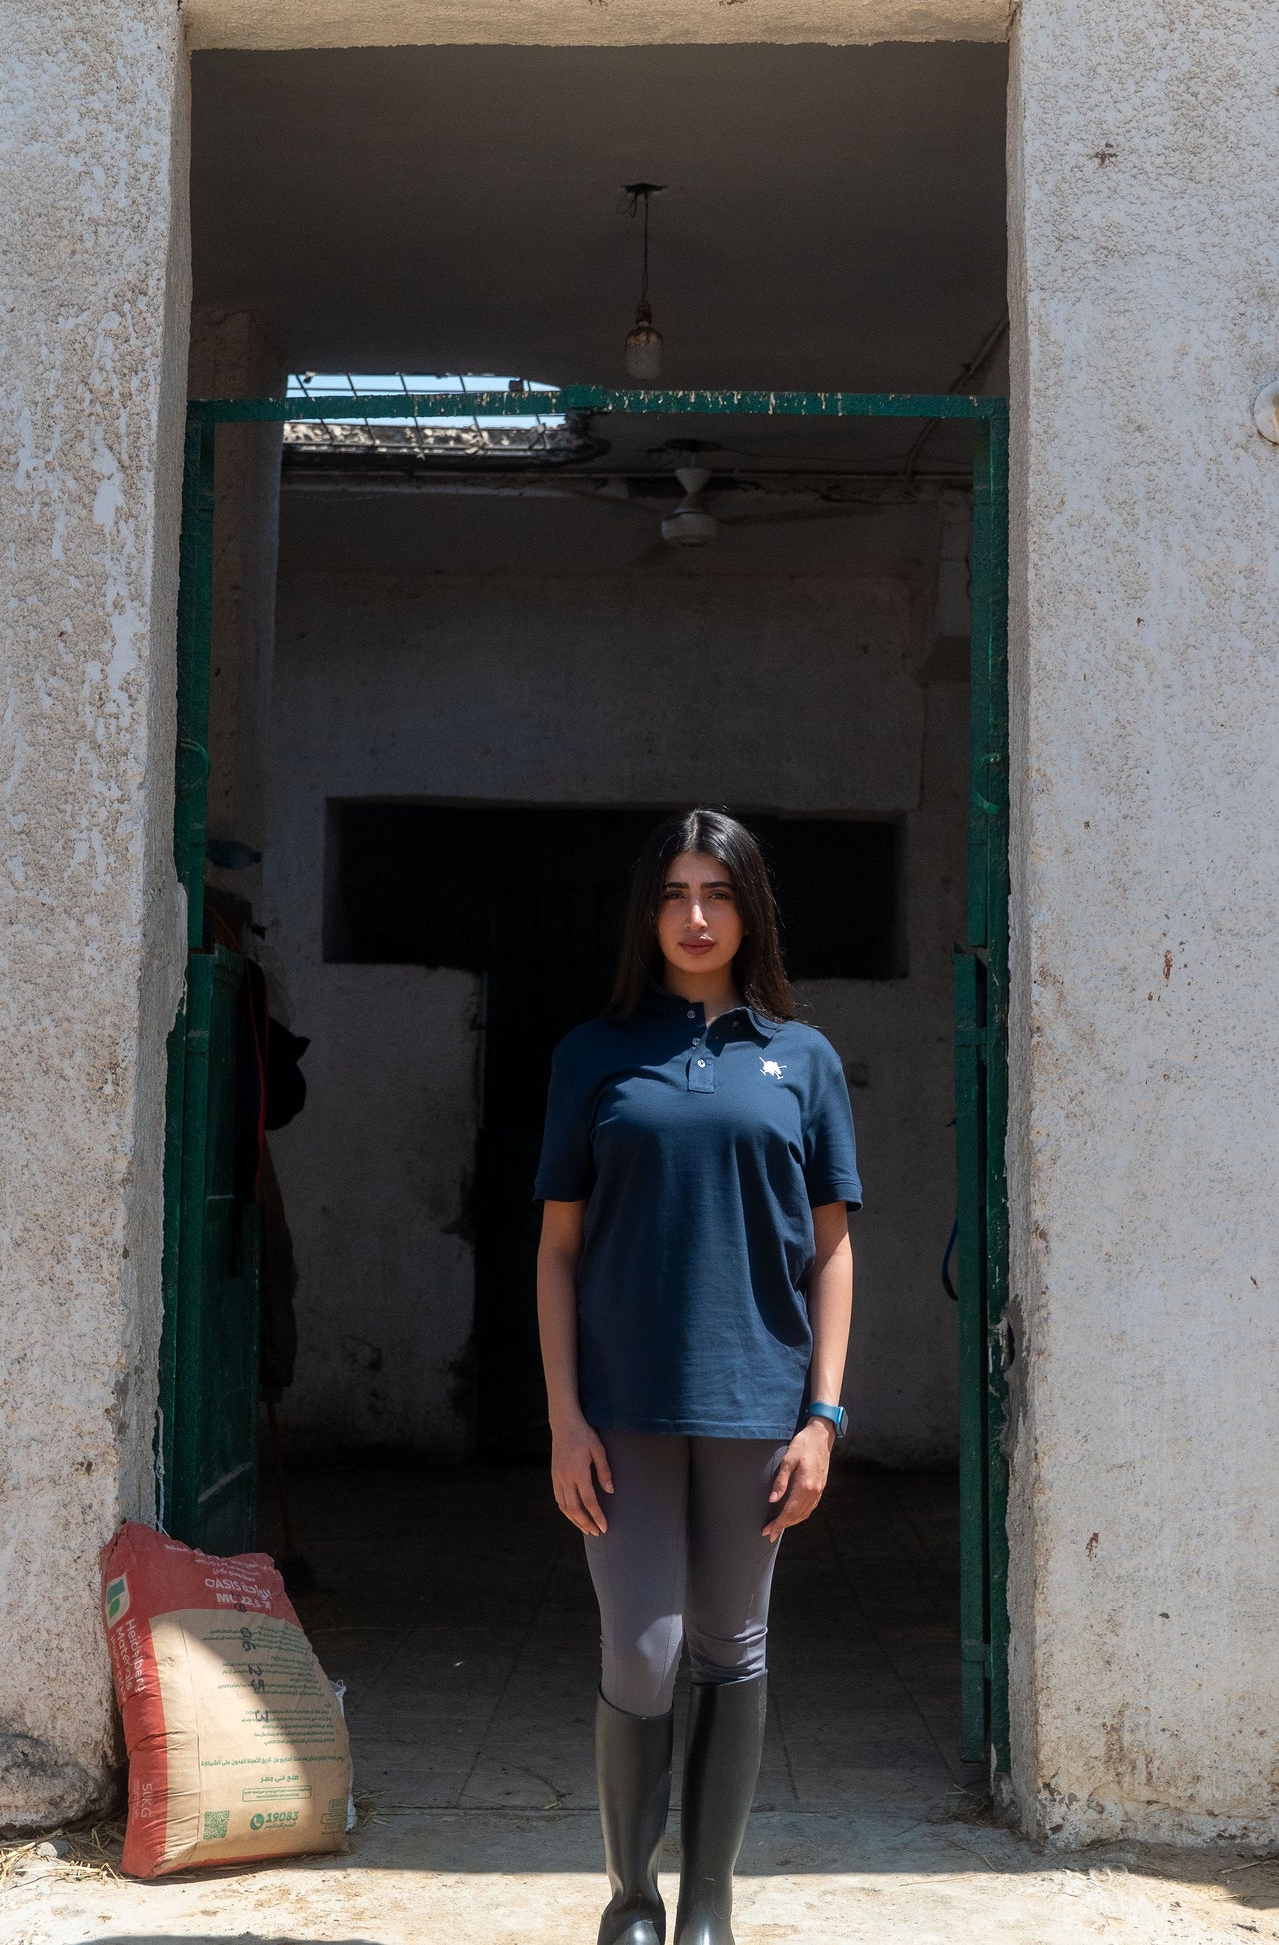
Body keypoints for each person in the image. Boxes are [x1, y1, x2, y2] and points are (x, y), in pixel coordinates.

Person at [535, 809, 860, 1945]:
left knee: (732, 1644)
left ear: (748, 908)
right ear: (648, 911)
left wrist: (821, 1413)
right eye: (673, 892)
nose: (693, 915)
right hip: (619, 1409)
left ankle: (706, 1902)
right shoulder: (591, 1052)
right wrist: (563, 1415)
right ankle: (630, 1897)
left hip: (753, 1404)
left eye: (716, 891)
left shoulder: (801, 1059)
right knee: (643, 1649)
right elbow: (557, 1247)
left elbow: (830, 1247)